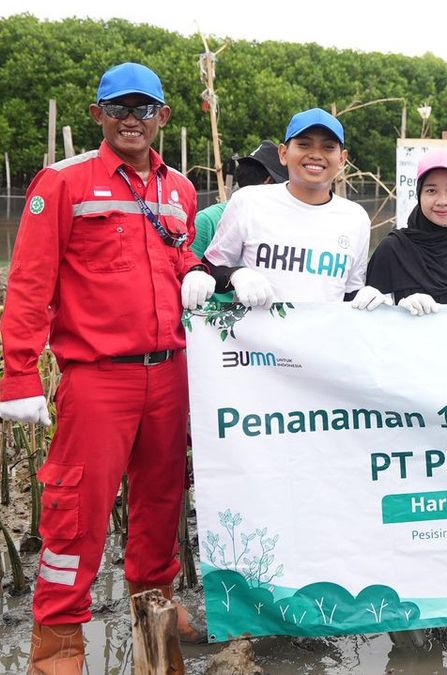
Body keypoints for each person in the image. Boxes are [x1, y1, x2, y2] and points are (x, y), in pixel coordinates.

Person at [0, 62, 215, 674]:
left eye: (143, 109)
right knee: (75, 511)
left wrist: (198, 272)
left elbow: (178, 257)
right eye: (118, 108)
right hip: (99, 378)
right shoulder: (62, 182)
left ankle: (156, 619)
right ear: (98, 115)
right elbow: (29, 283)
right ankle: (58, 641)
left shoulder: (180, 191)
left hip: (170, 373)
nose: (131, 119)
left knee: (161, 505)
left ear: (162, 117)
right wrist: (19, 376)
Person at [202, 109, 372, 308]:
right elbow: (210, 269)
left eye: (328, 147)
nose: (316, 155)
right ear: (283, 153)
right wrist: (237, 275)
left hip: (325, 329)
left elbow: (351, 292)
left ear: (342, 159)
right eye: (304, 145)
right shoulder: (248, 202)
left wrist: (372, 299)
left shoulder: (356, 218)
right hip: (255, 329)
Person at [364, 148, 447, 316]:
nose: (442, 201)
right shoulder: (392, 250)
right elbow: (372, 321)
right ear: (419, 194)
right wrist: (398, 309)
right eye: (431, 190)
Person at [191, 140, 287, 304]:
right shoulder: (209, 220)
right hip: (215, 315)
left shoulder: (279, 224)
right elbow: (189, 270)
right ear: (269, 182)